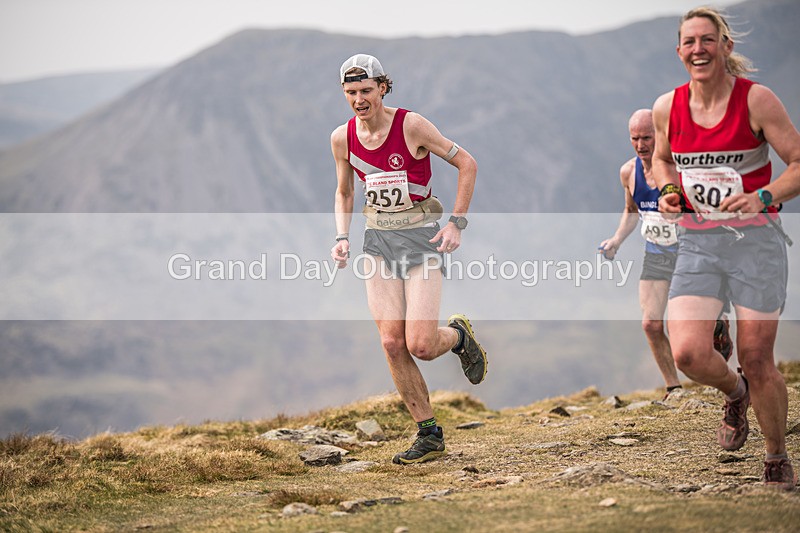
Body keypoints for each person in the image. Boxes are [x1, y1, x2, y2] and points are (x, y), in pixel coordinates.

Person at [653, 7, 800, 490]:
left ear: (726, 47)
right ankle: (735, 393)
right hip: (699, 241)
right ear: (679, 52)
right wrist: (669, 192)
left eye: (708, 40)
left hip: (756, 242)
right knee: (690, 354)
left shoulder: (757, 101)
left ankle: (776, 456)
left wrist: (764, 195)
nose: (698, 49)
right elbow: (661, 160)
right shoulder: (667, 107)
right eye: (689, 42)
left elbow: (797, 162)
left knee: (758, 357)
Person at [330, 54, 488, 465]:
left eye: (366, 91)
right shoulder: (342, 138)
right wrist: (342, 236)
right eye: (351, 93)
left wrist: (456, 224)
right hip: (377, 241)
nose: (359, 100)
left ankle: (457, 335)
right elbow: (345, 192)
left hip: (421, 239)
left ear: (383, 86)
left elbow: (466, 164)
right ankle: (429, 433)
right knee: (390, 341)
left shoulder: (411, 126)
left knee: (420, 344)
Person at [600, 109, 733, 401]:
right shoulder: (628, 172)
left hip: (689, 253)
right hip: (655, 254)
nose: (640, 144)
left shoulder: (677, 170)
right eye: (634, 138)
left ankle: (718, 338)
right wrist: (616, 240)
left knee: (688, 324)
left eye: (647, 137)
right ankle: (673, 388)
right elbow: (632, 211)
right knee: (650, 324)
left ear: (659, 135)